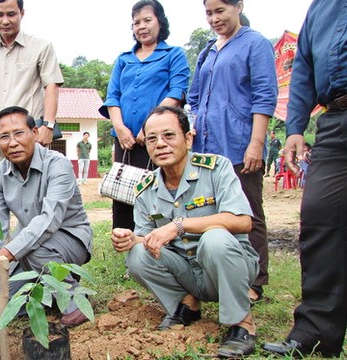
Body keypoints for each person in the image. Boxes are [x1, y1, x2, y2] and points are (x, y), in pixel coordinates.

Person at [111, 106, 259, 358]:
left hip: (228, 265)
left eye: (169, 136)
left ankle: (242, 323)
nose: (160, 144)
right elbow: (148, 239)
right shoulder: (146, 188)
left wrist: (181, 225)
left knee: (214, 238)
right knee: (137, 253)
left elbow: (243, 221)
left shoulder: (216, 168)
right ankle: (187, 303)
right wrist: (130, 239)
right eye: (152, 139)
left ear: (188, 139)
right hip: (187, 272)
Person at [263, 2, 347, 357]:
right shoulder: (321, 8)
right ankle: (315, 331)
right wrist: (295, 127)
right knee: (320, 218)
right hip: (335, 120)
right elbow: (304, 68)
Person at [0, 106, 93, 327]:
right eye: (4, 137)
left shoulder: (58, 164)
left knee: (33, 248)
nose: (12, 142)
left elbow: (49, 221)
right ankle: (51, 291)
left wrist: (6, 254)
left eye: (19, 133)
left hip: (71, 240)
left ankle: (75, 300)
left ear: (35, 133)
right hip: (28, 249)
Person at [187, 0, 277, 303]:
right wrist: (197, 120)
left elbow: (265, 96)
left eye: (220, 11)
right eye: (209, 13)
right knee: (209, 211)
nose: (214, 19)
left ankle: (255, 280)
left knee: (248, 211)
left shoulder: (256, 44)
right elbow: (195, 96)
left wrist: (256, 142)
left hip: (239, 145)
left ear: (238, 7)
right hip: (206, 149)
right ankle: (213, 274)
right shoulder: (207, 51)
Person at [100, 0, 190, 232]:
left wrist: (149, 129)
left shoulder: (174, 54)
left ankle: (161, 244)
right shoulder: (123, 59)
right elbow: (113, 96)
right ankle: (128, 248)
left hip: (158, 138)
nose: (141, 26)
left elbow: (177, 92)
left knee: (158, 191)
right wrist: (119, 128)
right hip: (125, 140)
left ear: (160, 22)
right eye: (136, 22)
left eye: (147, 20)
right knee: (123, 195)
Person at [0, 0, 65, 188]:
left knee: (34, 205)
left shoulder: (41, 47)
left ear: (22, 13)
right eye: (0, 15)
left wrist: (48, 126)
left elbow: (51, 86)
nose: (5, 21)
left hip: (29, 142)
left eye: (11, 14)